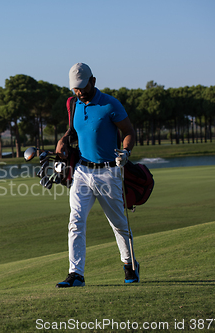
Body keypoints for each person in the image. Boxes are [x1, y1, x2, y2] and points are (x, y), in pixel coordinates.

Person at [54, 63, 139, 288]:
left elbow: (129, 131)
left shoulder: (110, 104)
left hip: (109, 171)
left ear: (93, 81)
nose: (78, 92)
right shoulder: (72, 103)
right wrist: (63, 140)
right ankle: (76, 274)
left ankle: (129, 264)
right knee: (75, 221)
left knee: (118, 223)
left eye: (81, 87)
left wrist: (126, 151)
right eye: (74, 88)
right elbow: (73, 131)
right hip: (82, 171)